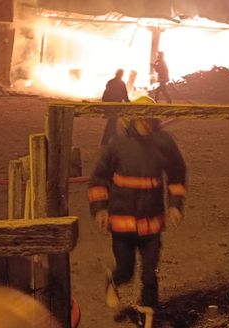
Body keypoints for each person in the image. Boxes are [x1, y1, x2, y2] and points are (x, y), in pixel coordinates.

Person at [88, 96, 187, 316]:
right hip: (122, 223)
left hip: (151, 224)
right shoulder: (118, 145)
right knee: (126, 270)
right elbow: (99, 178)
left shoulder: (164, 143)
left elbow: (177, 173)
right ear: (132, 118)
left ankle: (148, 314)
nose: (146, 122)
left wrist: (175, 205)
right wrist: (100, 208)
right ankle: (113, 279)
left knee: (150, 275)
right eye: (141, 117)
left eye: (149, 118)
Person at [100, 69, 130, 147]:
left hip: (110, 106)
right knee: (111, 123)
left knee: (112, 122)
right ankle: (105, 141)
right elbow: (125, 95)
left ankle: (111, 140)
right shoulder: (121, 84)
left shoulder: (110, 82)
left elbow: (106, 93)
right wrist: (129, 104)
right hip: (115, 107)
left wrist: (104, 104)